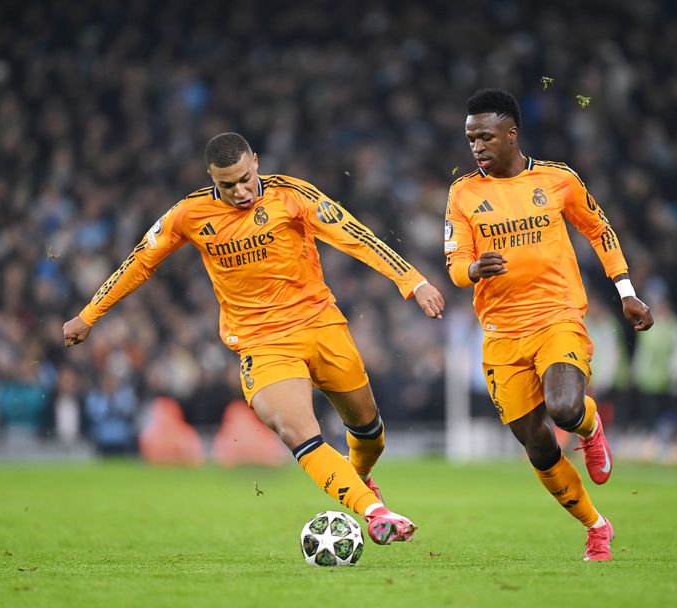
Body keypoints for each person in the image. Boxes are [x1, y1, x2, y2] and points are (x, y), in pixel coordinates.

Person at [64, 132, 446, 544]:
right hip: (262, 344)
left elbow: (353, 234)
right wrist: (88, 315)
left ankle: (358, 481)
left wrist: (412, 281)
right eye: (227, 185)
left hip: (321, 327)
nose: (240, 191)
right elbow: (140, 261)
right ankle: (375, 513)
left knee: (370, 434)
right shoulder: (189, 214)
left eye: (245, 179)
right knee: (296, 430)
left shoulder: (291, 195)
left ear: (256, 163)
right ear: (211, 178)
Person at [443, 89, 653, 561]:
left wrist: (625, 291)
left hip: (557, 316)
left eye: (485, 136)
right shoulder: (462, 193)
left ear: (511, 134)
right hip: (500, 334)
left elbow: (599, 228)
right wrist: (473, 270)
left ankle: (588, 425)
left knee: (563, 407)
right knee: (537, 446)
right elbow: (455, 266)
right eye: (470, 138)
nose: (476, 147)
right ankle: (596, 526)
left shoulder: (558, 179)